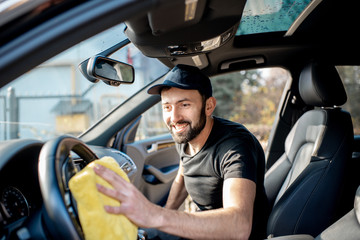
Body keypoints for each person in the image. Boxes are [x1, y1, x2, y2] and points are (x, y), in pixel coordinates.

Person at [94, 64, 269, 240]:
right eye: (167, 107)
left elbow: (239, 226)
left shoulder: (235, 146)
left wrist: (154, 215)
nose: (175, 118)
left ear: (209, 106)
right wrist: (164, 218)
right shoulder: (186, 134)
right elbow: (183, 173)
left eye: (184, 104)